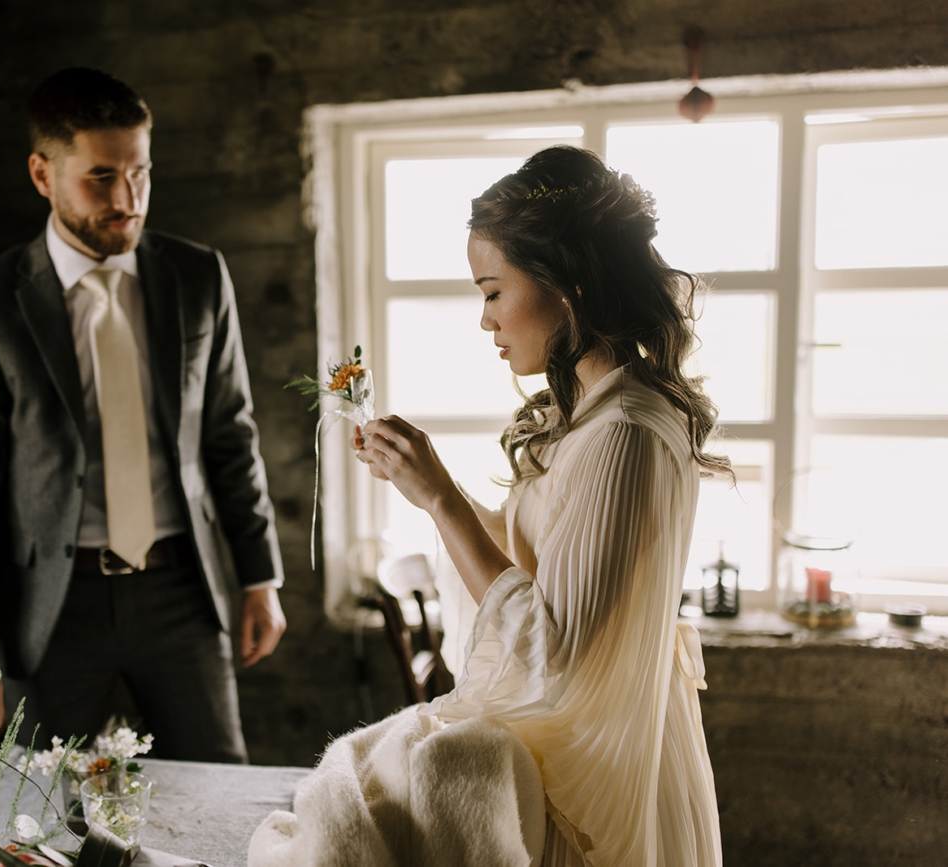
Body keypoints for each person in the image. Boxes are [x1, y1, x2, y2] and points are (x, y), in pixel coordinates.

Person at [251, 146, 724, 866]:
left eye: (494, 291)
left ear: (568, 285)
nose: (485, 320)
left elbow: (555, 655)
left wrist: (442, 500)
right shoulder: (589, 415)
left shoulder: (624, 430)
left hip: (590, 774)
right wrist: (424, 485)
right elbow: (541, 559)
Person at [0, 67, 286, 764]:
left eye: (140, 173)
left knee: (219, 793)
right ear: (43, 175)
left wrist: (261, 578)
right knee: (42, 808)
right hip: (50, 606)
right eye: (100, 178)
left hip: (182, 590)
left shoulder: (199, 276)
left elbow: (230, 433)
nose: (127, 200)